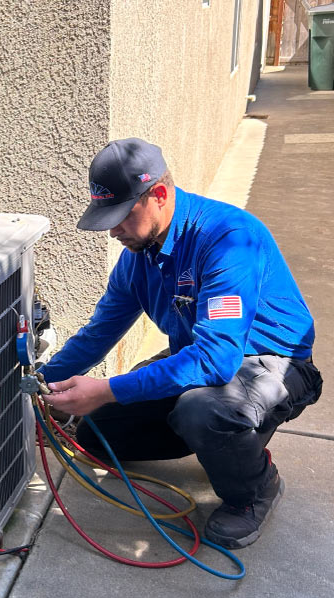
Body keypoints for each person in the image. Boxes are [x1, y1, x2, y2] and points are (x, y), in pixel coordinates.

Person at [40, 137, 322, 549]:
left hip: (272, 362)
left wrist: (105, 389)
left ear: (158, 195)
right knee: (97, 433)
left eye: (121, 215)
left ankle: (255, 488)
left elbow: (216, 359)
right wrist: (39, 383)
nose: (112, 229)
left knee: (203, 411)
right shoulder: (138, 256)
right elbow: (98, 334)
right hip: (205, 360)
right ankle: (228, 441)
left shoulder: (227, 239)